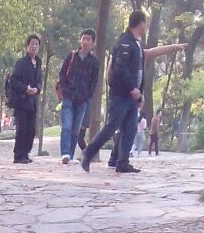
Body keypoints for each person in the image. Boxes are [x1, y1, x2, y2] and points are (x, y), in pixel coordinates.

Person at [81, 12, 185, 174]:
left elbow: (149, 55)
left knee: (130, 129)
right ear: (141, 23)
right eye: (145, 23)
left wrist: (138, 94)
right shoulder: (125, 43)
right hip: (121, 95)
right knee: (112, 126)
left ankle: (123, 162)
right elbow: (119, 68)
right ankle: (88, 152)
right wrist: (132, 89)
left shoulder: (136, 45)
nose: (146, 26)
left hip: (131, 97)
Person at [57, 29, 99, 164]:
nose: (85, 41)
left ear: (93, 42)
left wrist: (88, 95)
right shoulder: (72, 56)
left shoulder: (94, 61)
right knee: (67, 126)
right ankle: (65, 153)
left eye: (88, 39)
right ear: (80, 40)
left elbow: (94, 81)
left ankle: (70, 155)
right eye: (84, 38)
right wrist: (65, 89)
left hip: (82, 100)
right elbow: (62, 74)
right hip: (68, 97)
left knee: (76, 129)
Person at [6, 34, 42, 163]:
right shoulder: (21, 63)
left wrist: (37, 89)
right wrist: (25, 88)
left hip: (33, 102)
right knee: (22, 128)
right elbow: (13, 80)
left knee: (31, 129)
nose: (34, 46)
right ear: (27, 46)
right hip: (21, 101)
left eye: (36, 44)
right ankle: (19, 155)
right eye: (32, 44)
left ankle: (26, 153)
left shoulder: (38, 63)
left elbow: (39, 81)